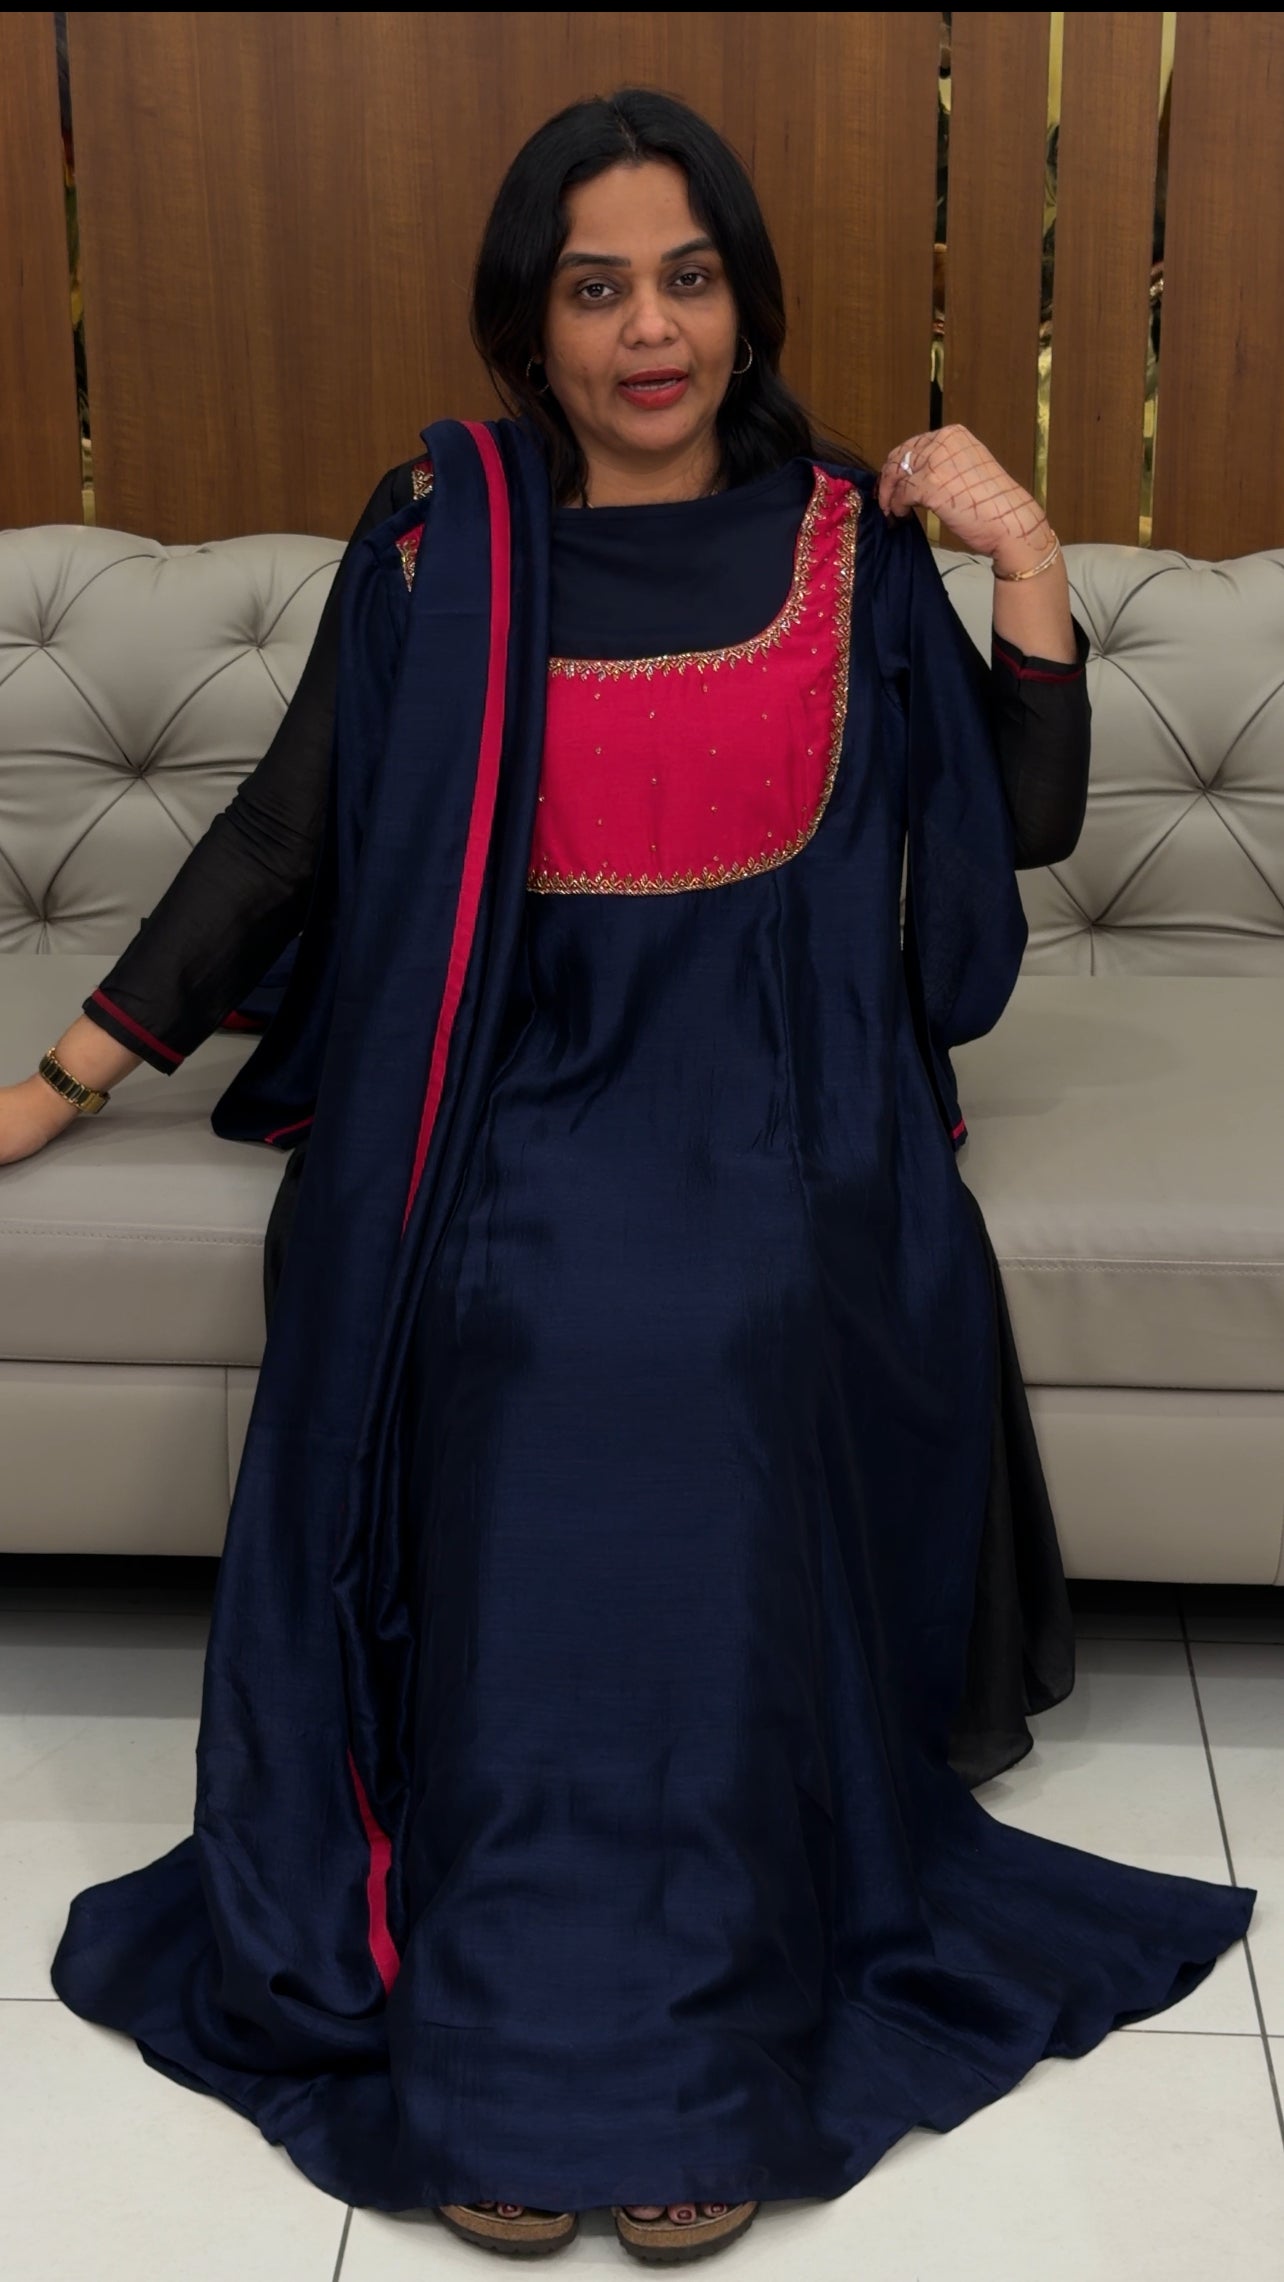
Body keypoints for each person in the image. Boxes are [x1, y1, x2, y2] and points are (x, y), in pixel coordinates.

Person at [13, 88, 1250, 2267]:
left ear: (745, 302)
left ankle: (697, 2027)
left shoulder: (846, 543)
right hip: (500, 1098)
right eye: (597, 288)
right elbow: (283, 836)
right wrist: (55, 1078)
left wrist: (1033, 571)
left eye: (687, 279)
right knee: (516, 1318)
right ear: (532, 323)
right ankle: (523, 2023)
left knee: (732, 1317)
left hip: (783, 1100)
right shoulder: (440, 542)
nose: (649, 329)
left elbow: (1019, 837)